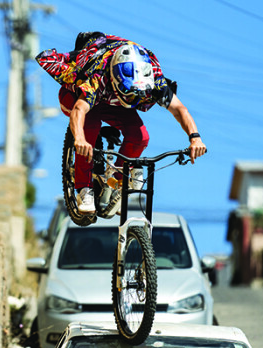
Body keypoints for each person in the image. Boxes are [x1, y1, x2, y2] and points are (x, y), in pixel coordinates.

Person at [36, 31, 207, 214]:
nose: (132, 98)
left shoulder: (153, 78)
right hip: (76, 96)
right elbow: (79, 110)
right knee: (90, 125)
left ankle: (117, 181)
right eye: (128, 93)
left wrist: (195, 137)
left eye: (136, 95)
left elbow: (180, 109)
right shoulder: (98, 76)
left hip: (113, 101)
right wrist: (78, 138)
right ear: (116, 80)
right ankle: (83, 188)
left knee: (140, 136)